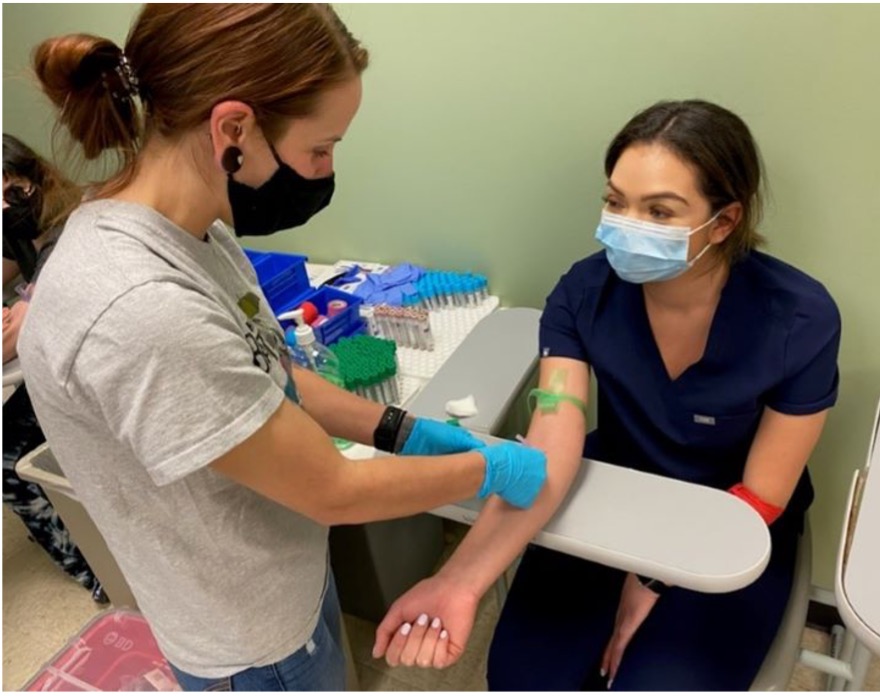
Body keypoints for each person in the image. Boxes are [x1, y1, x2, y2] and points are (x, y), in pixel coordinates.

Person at [17, 4, 547, 692]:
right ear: (233, 129)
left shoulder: (192, 228)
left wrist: (401, 429)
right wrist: (490, 470)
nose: (326, 170)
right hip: (250, 639)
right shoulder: (139, 308)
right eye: (320, 149)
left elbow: (274, 370)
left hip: (277, 566)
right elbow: (333, 491)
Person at [373, 100, 841, 691]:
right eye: (616, 202)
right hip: (611, 489)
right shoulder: (582, 294)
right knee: (524, 681)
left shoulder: (800, 317)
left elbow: (765, 490)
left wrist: (649, 579)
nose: (625, 224)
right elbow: (551, 442)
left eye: (659, 211)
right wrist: (459, 580)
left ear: (723, 222)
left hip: (732, 519)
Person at [2, 133, 108, 604]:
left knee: (7, 461)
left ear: (36, 178)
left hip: (92, 361)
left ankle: (94, 569)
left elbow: (22, 326)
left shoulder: (78, 218)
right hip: (56, 356)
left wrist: (25, 308)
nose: (6, 207)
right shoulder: (21, 223)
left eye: (12, 191)